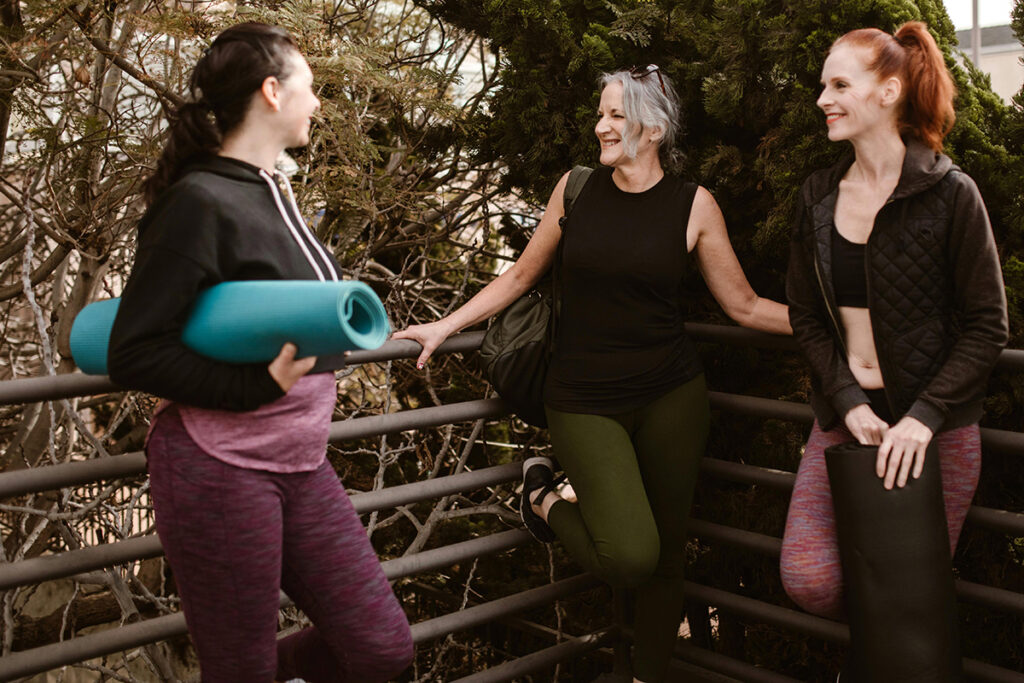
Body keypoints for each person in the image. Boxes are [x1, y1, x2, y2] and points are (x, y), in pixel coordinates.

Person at [394, 65, 791, 683]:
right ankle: (542, 496)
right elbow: (522, 275)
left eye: (615, 115)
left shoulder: (694, 205)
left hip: (672, 396)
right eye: (600, 114)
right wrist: (445, 326)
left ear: (653, 128)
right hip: (582, 399)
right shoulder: (576, 188)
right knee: (632, 556)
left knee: (665, 561)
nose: (601, 126)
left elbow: (742, 305)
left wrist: (827, 323)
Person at [107, 23, 414, 683]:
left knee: (381, 647)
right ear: (271, 92)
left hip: (300, 460)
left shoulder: (272, 189)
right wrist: (251, 387)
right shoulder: (198, 200)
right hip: (219, 467)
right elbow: (134, 350)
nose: (318, 103)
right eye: (309, 87)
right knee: (240, 667)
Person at [780, 19, 1008, 658]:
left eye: (839, 84)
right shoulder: (818, 198)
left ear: (888, 92)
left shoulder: (950, 193)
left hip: (931, 437)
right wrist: (847, 399)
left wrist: (925, 418)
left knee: (910, 596)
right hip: (848, 424)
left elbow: (989, 324)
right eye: (823, 84)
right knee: (809, 577)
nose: (822, 98)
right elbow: (806, 316)